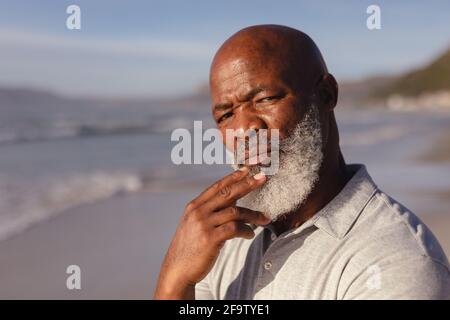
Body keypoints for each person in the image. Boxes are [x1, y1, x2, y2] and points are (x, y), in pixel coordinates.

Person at [154, 25, 450, 299]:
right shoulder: (225, 239)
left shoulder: (397, 262)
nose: (244, 129)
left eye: (265, 99)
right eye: (226, 115)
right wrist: (176, 279)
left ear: (325, 95)